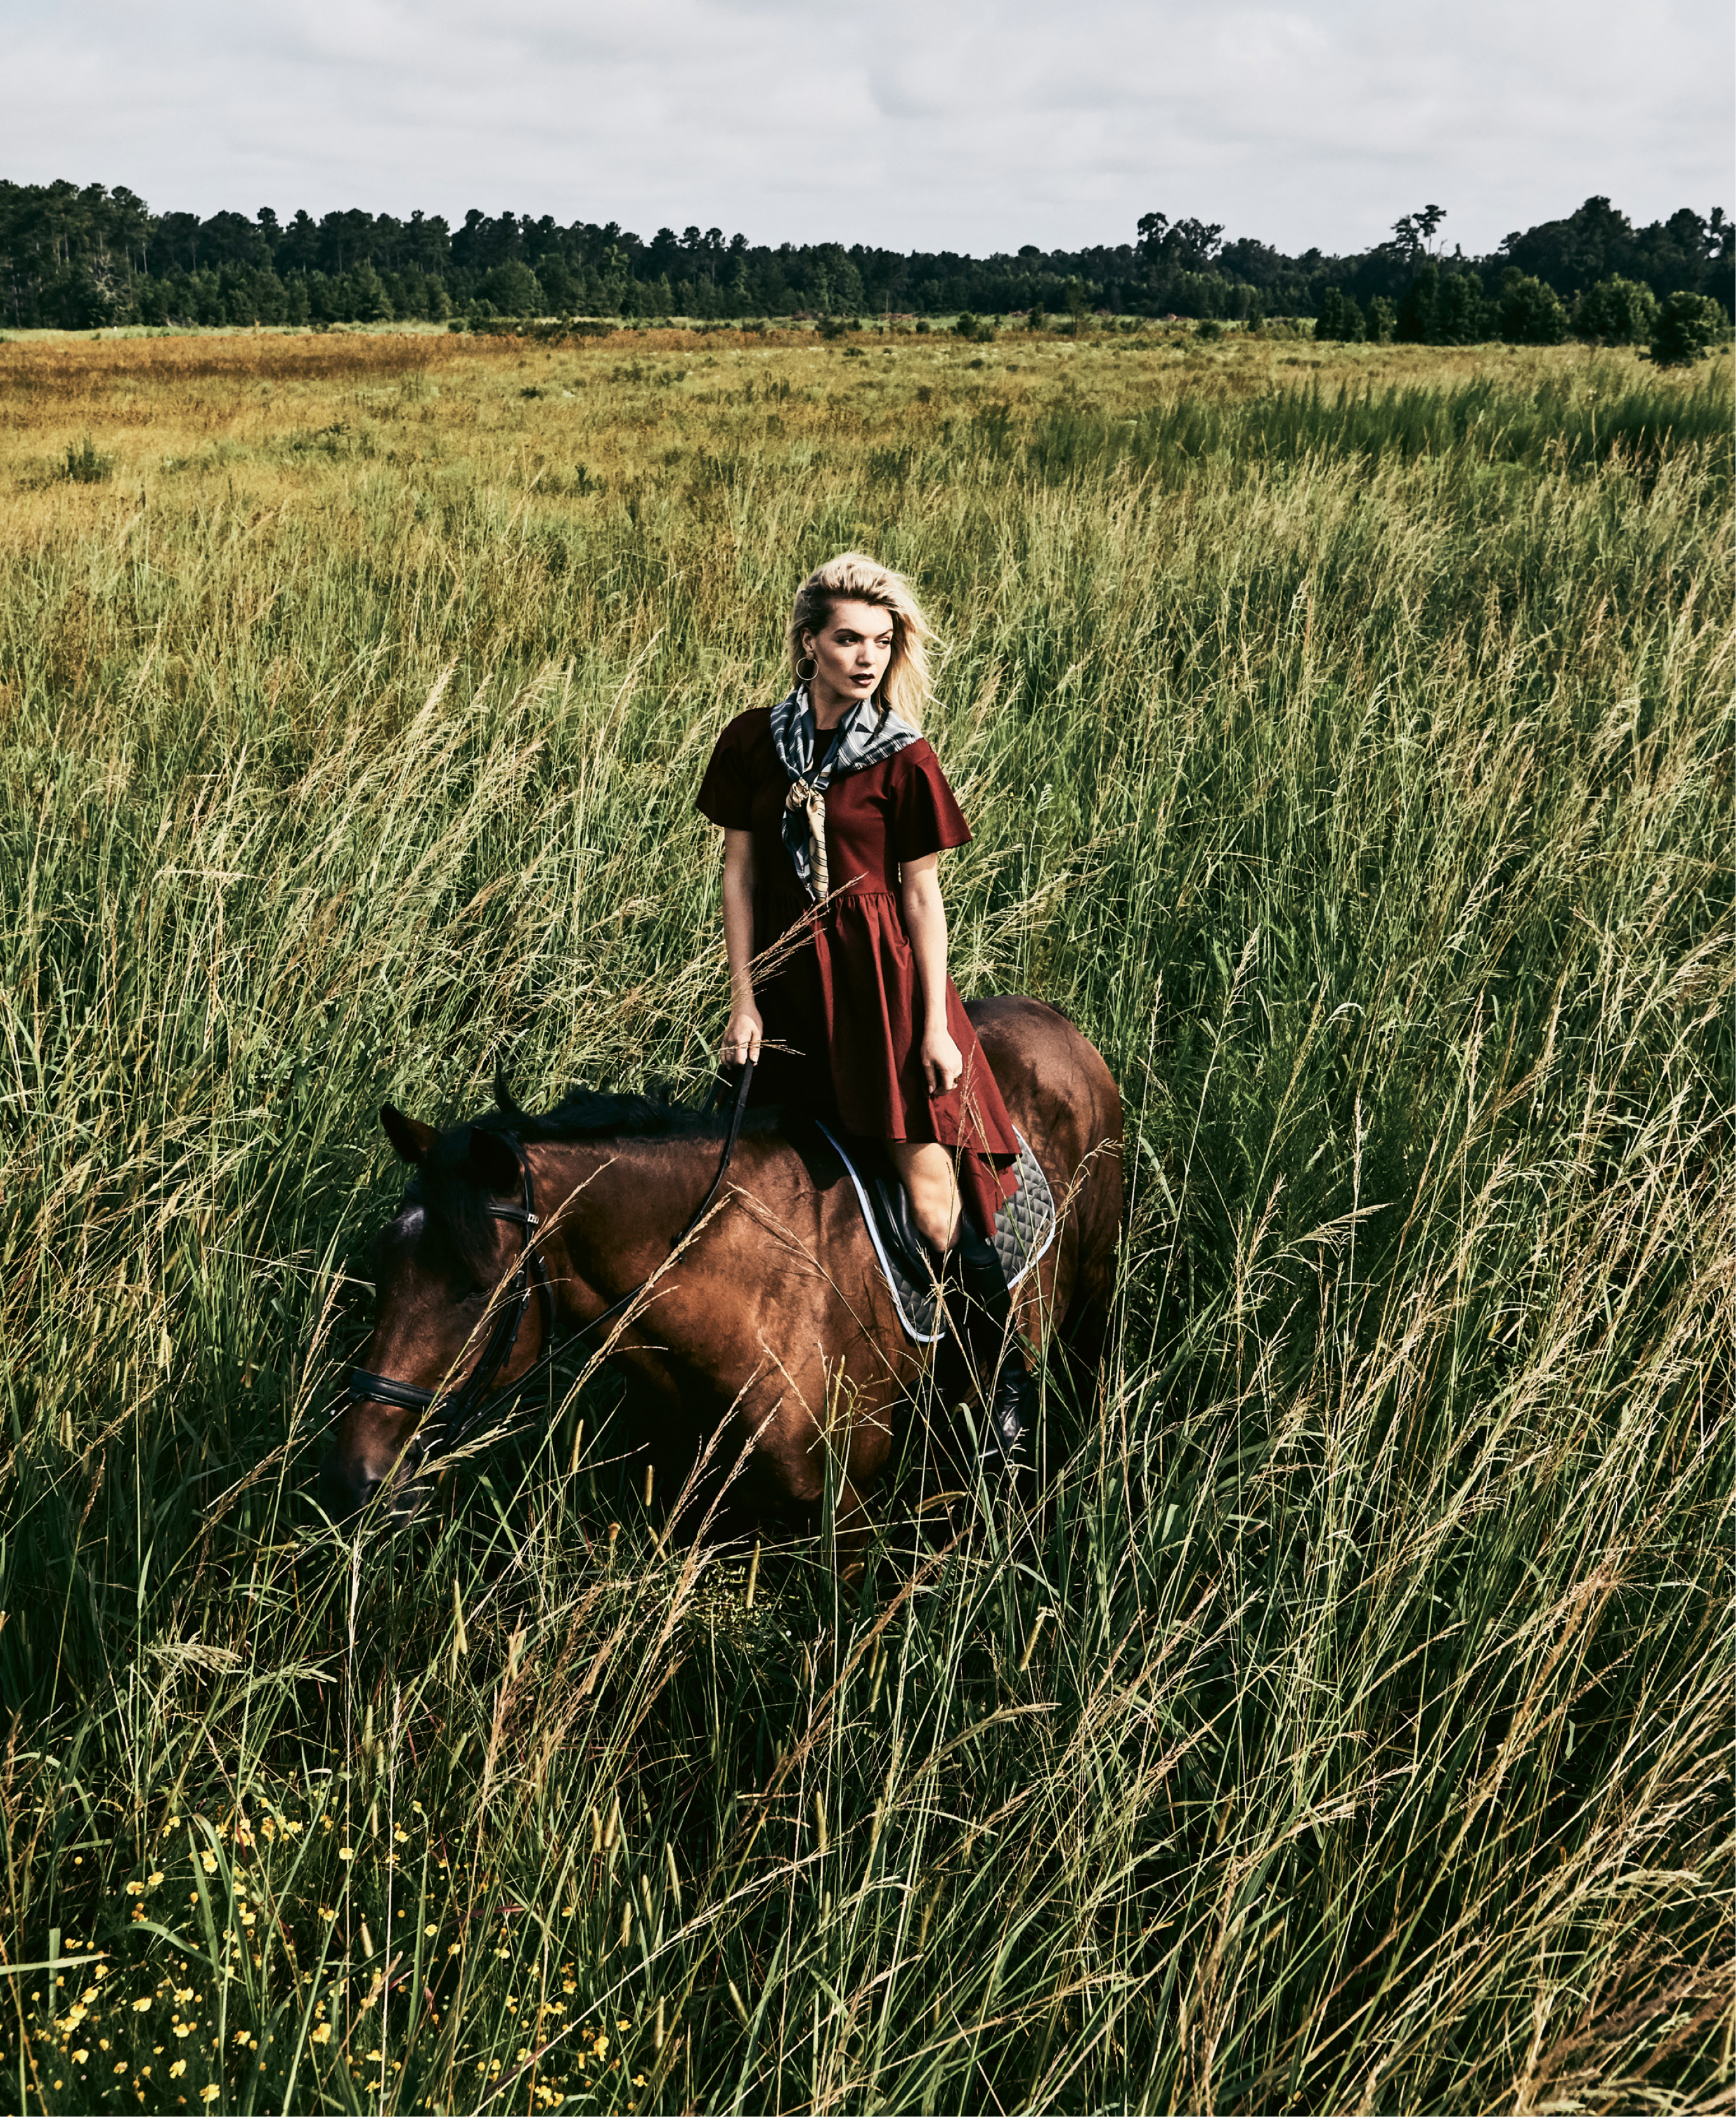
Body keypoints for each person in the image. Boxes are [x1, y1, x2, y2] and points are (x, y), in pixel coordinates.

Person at [694, 552, 1036, 1468]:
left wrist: (932, 1025)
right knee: (737, 1171)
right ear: (807, 643)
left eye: (881, 643)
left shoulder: (902, 756)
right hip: (782, 983)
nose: (866, 657)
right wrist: (741, 999)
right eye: (848, 639)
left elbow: (922, 897)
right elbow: (739, 873)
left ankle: (1003, 1393)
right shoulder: (752, 742)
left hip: (879, 992)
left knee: (931, 1202)